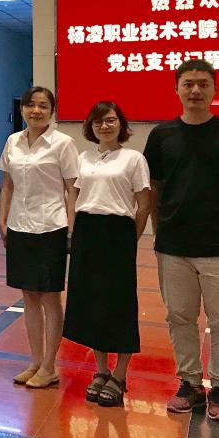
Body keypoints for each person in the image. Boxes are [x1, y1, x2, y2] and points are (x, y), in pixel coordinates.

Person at [144, 59, 219, 423]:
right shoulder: (161, 136)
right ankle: (190, 383)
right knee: (179, 317)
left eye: (203, 84)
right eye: (188, 84)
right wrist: (157, 229)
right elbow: (154, 188)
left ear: (214, 90)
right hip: (173, 246)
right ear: (177, 89)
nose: (195, 90)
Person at [64, 101, 150, 407]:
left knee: (120, 303)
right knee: (92, 302)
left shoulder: (133, 159)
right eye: (99, 121)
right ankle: (101, 370)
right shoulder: (83, 158)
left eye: (111, 120)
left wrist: (130, 239)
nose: (105, 126)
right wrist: (73, 231)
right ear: (91, 126)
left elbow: (144, 205)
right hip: (87, 232)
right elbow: (74, 196)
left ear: (121, 124)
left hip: (118, 233)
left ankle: (120, 374)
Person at [0, 86, 78, 389]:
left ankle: (49, 365)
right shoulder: (13, 141)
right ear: (22, 109)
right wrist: (3, 219)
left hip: (51, 226)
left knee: (49, 297)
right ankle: (35, 361)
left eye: (43, 106)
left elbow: (72, 188)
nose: (36, 111)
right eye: (30, 105)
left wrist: (71, 228)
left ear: (52, 111)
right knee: (28, 297)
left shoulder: (63, 143)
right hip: (20, 225)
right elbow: (8, 184)